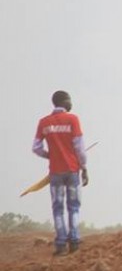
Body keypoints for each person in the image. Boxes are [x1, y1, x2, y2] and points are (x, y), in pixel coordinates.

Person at [33, 90, 89, 256]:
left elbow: (36, 147)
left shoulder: (44, 123)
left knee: (58, 208)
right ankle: (74, 241)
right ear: (64, 101)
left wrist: (49, 155)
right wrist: (84, 167)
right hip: (72, 170)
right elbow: (79, 147)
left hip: (55, 172)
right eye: (69, 100)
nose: (71, 103)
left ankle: (60, 244)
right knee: (74, 207)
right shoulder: (72, 120)